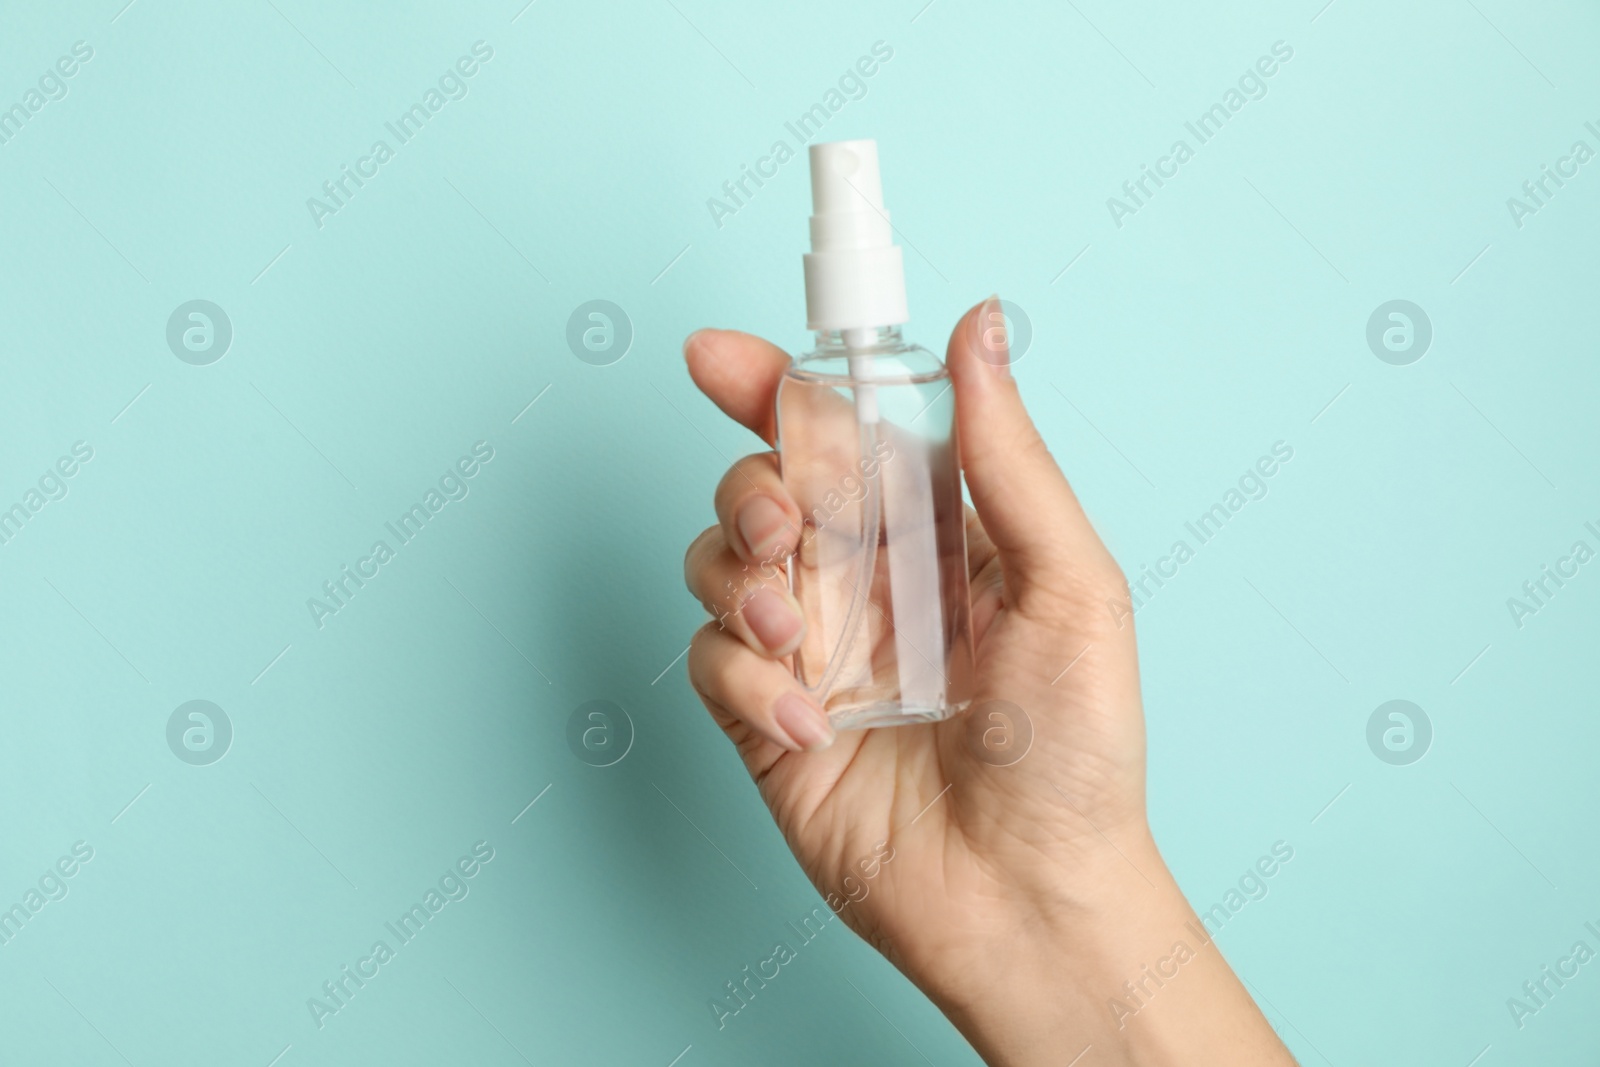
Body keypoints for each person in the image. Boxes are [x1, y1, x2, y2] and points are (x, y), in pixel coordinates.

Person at [680, 298, 1297, 1066]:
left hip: (952, 727)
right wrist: (1029, 910)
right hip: (864, 747)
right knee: (776, 543)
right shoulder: (819, 383)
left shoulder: (915, 378)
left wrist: (1056, 877)